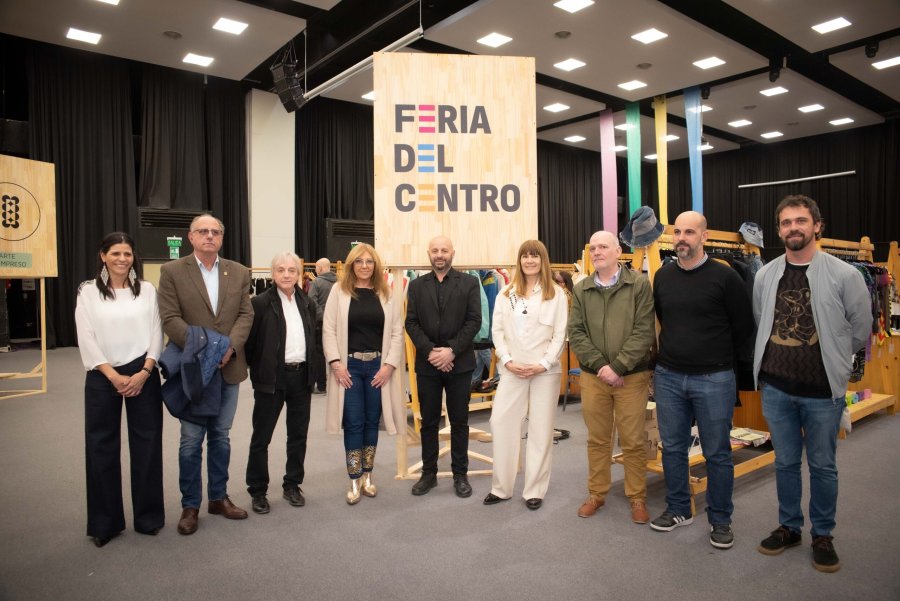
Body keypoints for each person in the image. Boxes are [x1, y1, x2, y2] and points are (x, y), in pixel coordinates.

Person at [753, 195, 870, 572]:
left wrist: (832, 358)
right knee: (785, 462)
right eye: (786, 222)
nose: (794, 228)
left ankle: (822, 534)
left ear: (817, 226)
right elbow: (761, 318)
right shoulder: (765, 274)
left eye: (801, 221)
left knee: (822, 465)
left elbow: (860, 329)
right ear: (779, 230)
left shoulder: (845, 275)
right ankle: (789, 527)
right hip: (776, 388)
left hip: (822, 391)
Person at [650, 211, 755, 550]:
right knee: (673, 448)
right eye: (677, 232)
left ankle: (720, 519)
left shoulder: (726, 277)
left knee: (717, 452)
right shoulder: (663, 276)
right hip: (669, 376)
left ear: (704, 237)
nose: (682, 238)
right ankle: (679, 509)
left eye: (689, 232)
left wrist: (717, 359)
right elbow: (665, 319)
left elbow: (743, 327)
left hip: (714, 378)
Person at [157, 214, 253, 535]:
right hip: (193, 368)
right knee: (191, 440)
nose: (209, 236)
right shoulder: (172, 272)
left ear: (221, 237)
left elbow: (245, 314)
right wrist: (208, 349)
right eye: (203, 231)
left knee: (221, 436)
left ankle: (218, 497)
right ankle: (190, 505)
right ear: (191, 237)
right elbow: (170, 319)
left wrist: (229, 347)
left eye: (215, 232)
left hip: (229, 367)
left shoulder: (238, 272)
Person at [75, 232, 164, 547]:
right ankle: (105, 523)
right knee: (101, 448)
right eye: (115, 253)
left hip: (144, 373)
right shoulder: (88, 292)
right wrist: (113, 376)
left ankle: (148, 518)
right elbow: (85, 336)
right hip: (102, 375)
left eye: (127, 253)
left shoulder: (148, 290)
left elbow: (157, 332)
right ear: (103, 256)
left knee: (148, 445)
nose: (122, 259)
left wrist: (145, 371)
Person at [568, 231, 656, 523]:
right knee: (598, 440)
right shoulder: (582, 289)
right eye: (593, 248)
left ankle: (637, 497)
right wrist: (601, 366)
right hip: (594, 378)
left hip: (632, 377)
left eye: (603, 246)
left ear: (619, 251)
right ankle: (597, 494)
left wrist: (618, 367)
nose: (597, 252)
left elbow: (644, 331)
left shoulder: (639, 285)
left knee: (633, 440)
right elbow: (576, 332)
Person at [483, 240, 568, 510]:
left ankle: (534, 490)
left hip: (545, 372)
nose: (529, 261)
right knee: (500, 422)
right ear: (519, 261)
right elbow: (497, 331)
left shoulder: (556, 294)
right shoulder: (506, 293)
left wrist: (543, 363)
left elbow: (560, 334)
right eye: (525, 256)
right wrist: (507, 361)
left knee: (540, 430)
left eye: (535, 256)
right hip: (512, 370)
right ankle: (501, 488)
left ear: (543, 260)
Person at [323, 244, 405, 504]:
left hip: (378, 368)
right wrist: (336, 363)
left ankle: (368, 476)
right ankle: (354, 478)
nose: (365, 266)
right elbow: (328, 330)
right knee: (354, 421)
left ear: (376, 265)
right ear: (351, 264)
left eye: (369, 261)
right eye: (359, 261)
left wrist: (389, 365)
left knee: (371, 421)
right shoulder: (339, 291)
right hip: (349, 368)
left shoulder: (387, 293)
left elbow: (397, 332)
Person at [405, 235, 482, 498]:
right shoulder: (416, 286)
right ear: (429, 253)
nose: (440, 255)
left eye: (444, 250)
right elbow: (411, 323)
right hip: (428, 365)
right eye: (435, 250)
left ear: (452, 253)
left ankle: (460, 474)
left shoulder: (469, 283)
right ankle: (429, 474)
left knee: (459, 421)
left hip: (459, 364)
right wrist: (431, 352)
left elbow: (474, 321)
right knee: (428, 422)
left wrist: (451, 351)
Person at [245, 252, 320, 515]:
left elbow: (313, 338)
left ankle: (292, 484)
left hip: (301, 377)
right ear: (272, 273)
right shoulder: (260, 304)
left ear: (299, 274)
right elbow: (250, 344)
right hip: (271, 379)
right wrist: (261, 369)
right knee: (261, 437)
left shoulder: (307, 303)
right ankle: (258, 490)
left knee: (298, 435)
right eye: (281, 270)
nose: (286, 275)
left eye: (291, 270)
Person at [309, 257, 337, 393]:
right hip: (337, 322)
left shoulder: (316, 282)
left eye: (316, 267)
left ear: (320, 268)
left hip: (320, 323)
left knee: (319, 354)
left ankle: (322, 385)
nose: (315, 270)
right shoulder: (339, 282)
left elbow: (312, 303)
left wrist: (322, 317)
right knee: (337, 352)